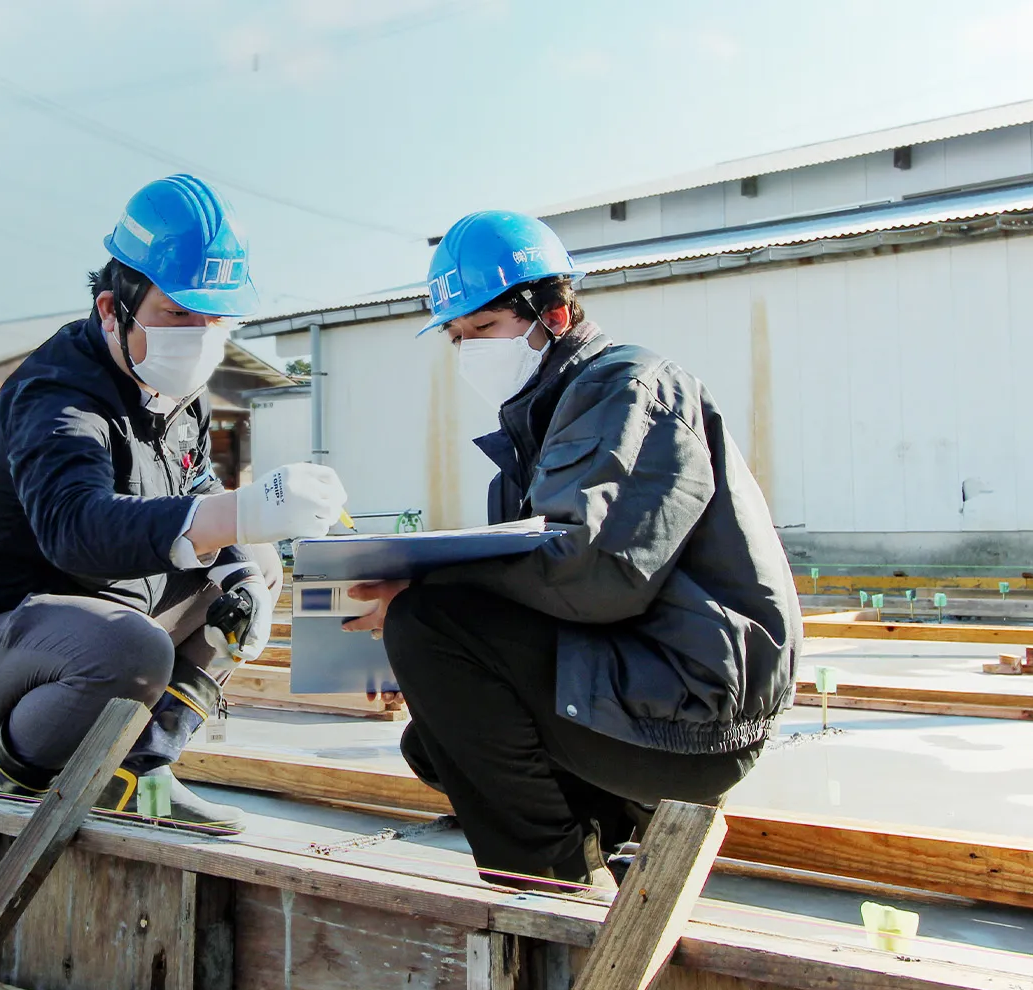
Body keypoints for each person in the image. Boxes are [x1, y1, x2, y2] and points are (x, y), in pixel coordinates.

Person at [341, 211, 800, 891]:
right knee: (438, 741)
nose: (469, 350)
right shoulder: (536, 434)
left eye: (485, 329)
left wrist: (424, 589)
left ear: (553, 313)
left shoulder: (625, 389)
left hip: (695, 705)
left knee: (430, 623)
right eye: (457, 337)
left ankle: (549, 882)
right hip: (646, 680)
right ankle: (612, 836)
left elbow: (595, 575)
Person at [0, 174, 348, 832]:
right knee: (132, 651)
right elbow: (73, 528)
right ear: (113, 307)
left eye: (215, 318)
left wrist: (237, 571)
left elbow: (191, 488)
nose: (199, 336)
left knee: (255, 563)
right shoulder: (58, 397)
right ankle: (11, 767)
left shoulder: (178, 390)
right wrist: (238, 511)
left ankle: (138, 770)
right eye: (178, 315)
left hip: (102, 613)